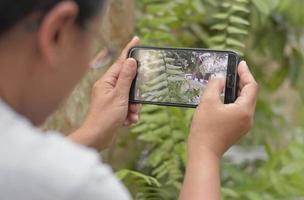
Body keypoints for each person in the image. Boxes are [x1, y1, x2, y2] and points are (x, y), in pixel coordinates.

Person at [0, 0, 258, 200]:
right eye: (96, 44)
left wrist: (90, 134)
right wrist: (206, 151)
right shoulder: (77, 184)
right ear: (57, 32)